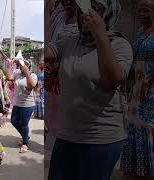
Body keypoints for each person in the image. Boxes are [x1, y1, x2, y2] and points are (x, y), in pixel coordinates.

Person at [45, 0, 133, 179]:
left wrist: (100, 34)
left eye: (95, 9)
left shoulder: (119, 44)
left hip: (100, 140)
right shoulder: (69, 40)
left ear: (108, 13)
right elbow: (47, 54)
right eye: (83, 9)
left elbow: (111, 80)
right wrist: (46, 17)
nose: (86, 14)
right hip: (67, 135)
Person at [120, 0, 154, 176]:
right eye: (139, 10)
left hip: (151, 90)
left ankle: (149, 170)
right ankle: (137, 168)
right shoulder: (140, 33)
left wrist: (150, 79)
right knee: (134, 125)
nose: (141, 13)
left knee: (148, 126)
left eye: (146, 10)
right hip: (137, 87)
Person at [46, 0, 79, 151]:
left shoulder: (85, 22)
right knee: (54, 112)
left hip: (75, 74)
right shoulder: (58, 19)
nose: (67, 2)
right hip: (55, 75)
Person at [6, 53, 38, 153]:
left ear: (28, 66)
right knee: (14, 121)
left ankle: (25, 143)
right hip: (17, 103)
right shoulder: (17, 74)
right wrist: (10, 66)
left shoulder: (33, 75)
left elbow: (31, 86)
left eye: (22, 65)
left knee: (24, 124)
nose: (20, 67)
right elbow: (8, 78)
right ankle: (26, 136)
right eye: (19, 66)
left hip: (27, 105)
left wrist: (27, 73)